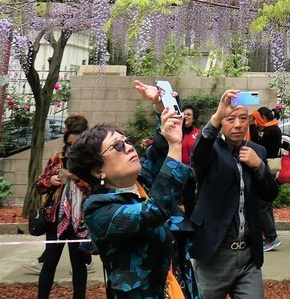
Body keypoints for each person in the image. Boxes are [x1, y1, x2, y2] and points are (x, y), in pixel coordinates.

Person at [68, 96, 196, 299]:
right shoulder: (99, 210)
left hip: (179, 290)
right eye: (117, 146)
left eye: (127, 142)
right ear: (97, 170)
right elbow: (153, 211)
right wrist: (176, 147)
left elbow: (158, 149)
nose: (128, 147)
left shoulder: (139, 182)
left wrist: (160, 105)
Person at [190, 89, 280, 299]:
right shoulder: (211, 150)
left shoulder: (256, 151)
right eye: (230, 119)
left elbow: (270, 194)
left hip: (248, 256)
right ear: (222, 122)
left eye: (243, 118)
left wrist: (259, 166)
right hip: (215, 254)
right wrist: (215, 118)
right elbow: (197, 157)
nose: (238, 124)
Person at [34, 115, 91, 299]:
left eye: (77, 144)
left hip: (79, 220)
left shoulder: (90, 162)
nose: (72, 148)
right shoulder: (56, 159)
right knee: (49, 262)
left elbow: (95, 187)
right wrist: (50, 181)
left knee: (78, 265)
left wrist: (78, 178)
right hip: (55, 219)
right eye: (69, 144)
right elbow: (39, 186)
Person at [249, 106, 283, 252]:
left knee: (262, 205)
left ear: (262, 117)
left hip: (266, 168)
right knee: (267, 204)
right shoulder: (275, 128)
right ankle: (270, 235)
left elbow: (257, 142)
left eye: (256, 118)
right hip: (270, 168)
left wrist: (250, 126)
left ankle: (271, 237)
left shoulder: (268, 130)